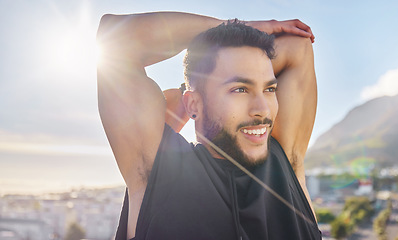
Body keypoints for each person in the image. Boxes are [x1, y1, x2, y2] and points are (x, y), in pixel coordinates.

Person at [97, 11, 320, 240]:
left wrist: (239, 35)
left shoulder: (286, 163)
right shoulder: (156, 170)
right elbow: (115, 39)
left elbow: (297, 46)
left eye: (269, 89)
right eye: (240, 89)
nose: (263, 109)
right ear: (193, 103)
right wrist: (236, 27)